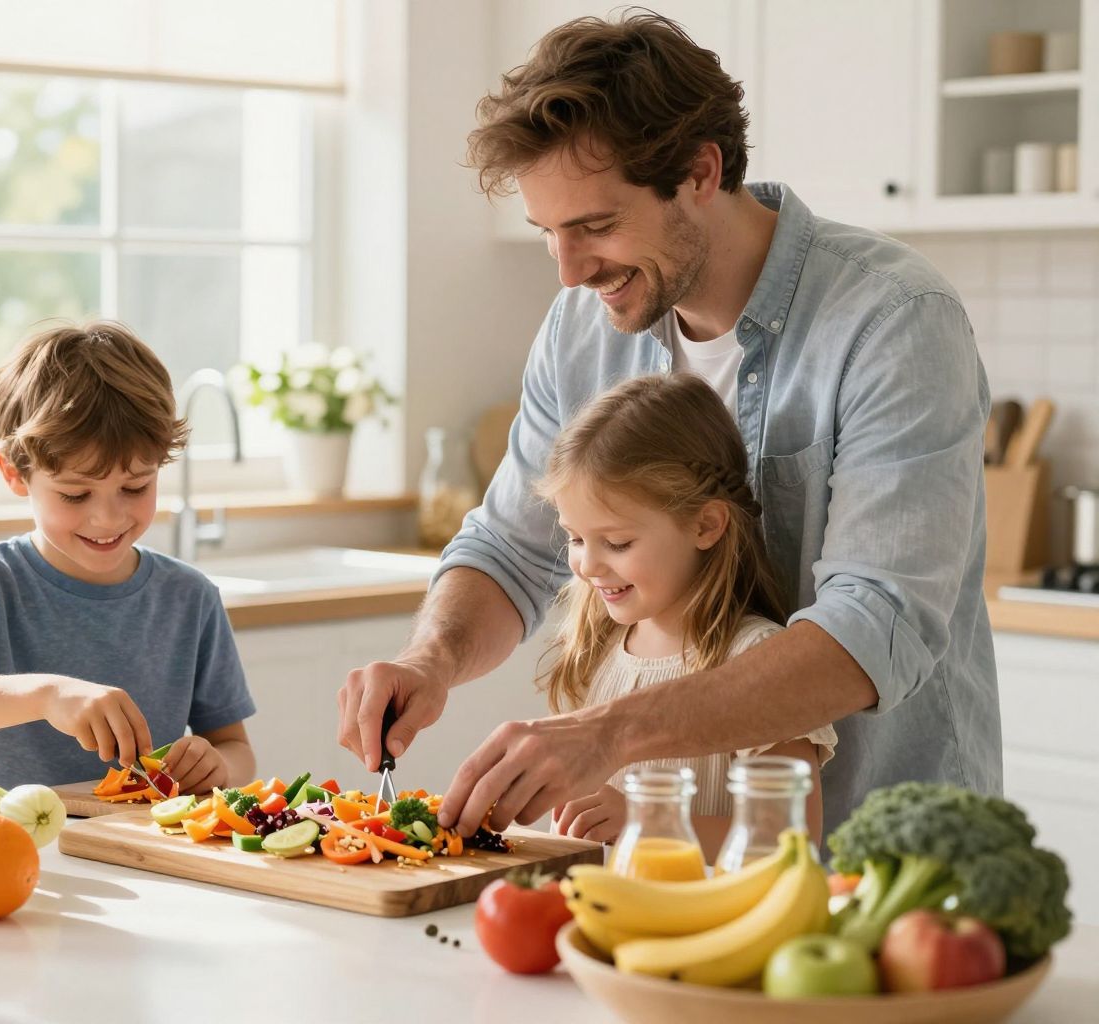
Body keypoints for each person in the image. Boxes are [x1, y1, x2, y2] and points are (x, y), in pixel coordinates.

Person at [338, 12, 997, 840]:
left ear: (699, 170)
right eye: (549, 233)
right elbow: (511, 548)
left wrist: (606, 734)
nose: (571, 271)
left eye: (596, 226)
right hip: (671, 876)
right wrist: (428, 661)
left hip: (885, 859)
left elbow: (873, 628)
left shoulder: (892, 319)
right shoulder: (583, 328)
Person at [0, 321, 257, 793]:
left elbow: (237, 750)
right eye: (76, 494)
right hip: (14, 853)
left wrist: (217, 766)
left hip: (143, 855)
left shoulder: (191, 598)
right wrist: (47, 695)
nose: (107, 518)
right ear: (14, 474)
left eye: (135, 486)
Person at [537, 374, 834, 857]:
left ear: (706, 524)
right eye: (574, 537)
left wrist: (645, 819)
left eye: (617, 542)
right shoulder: (599, 645)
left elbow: (792, 842)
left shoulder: (759, 662)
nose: (587, 565)